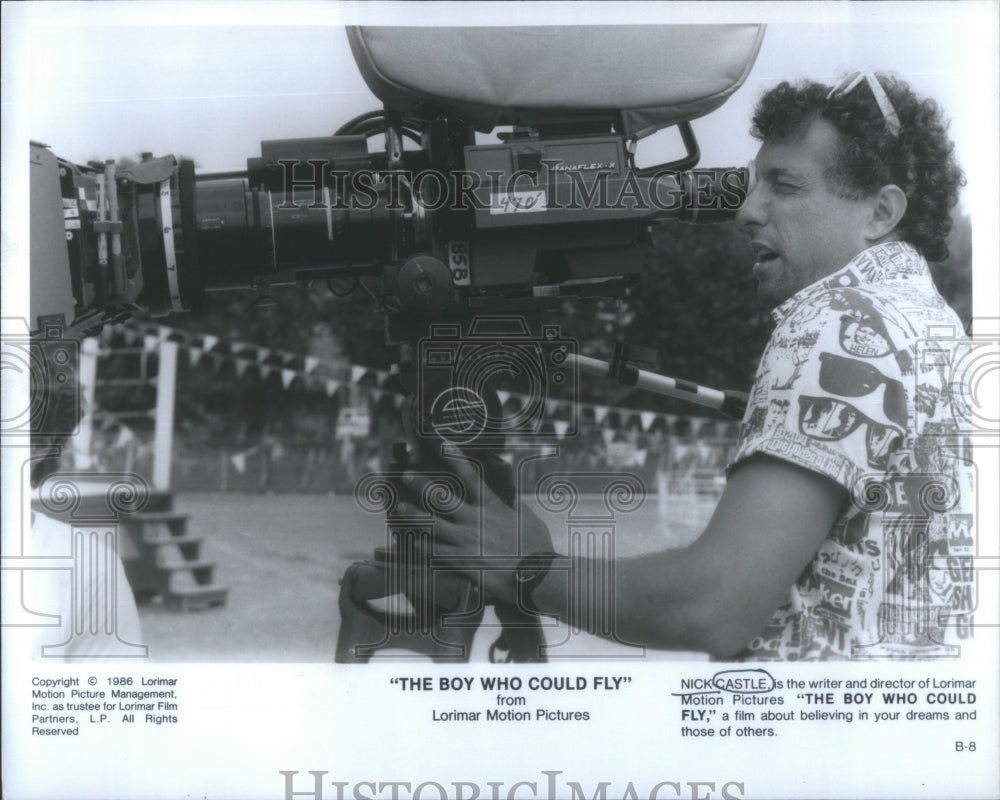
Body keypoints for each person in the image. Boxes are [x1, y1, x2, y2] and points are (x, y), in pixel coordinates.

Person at [407, 71, 974, 660]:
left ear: (880, 212)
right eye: (756, 184)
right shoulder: (930, 323)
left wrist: (527, 569)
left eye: (784, 185)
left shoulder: (841, 324)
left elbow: (714, 607)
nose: (747, 211)